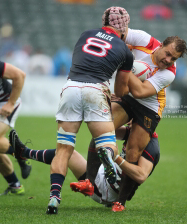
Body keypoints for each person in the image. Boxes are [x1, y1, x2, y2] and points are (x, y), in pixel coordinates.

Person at [42, 6, 132, 214]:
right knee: (109, 143)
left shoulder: (86, 34)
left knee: (64, 149)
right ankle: (106, 154)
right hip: (96, 90)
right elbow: (120, 89)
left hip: (71, 87)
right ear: (125, 27)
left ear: (104, 22)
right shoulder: (125, 51)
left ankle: (54, 197)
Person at [109, 29, 187, 210]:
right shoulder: (144, 40)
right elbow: (116, 34)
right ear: (160, 46)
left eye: (173, 58)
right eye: (168, 54)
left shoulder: (169, 73)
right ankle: (90, 182)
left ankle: (120, 202)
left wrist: (125, 63)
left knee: (133, 152)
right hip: (130, 98)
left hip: (150, 108)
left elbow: (141, 92)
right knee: (104, 126)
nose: (168, 60)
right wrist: (119, 48)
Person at [9, 123, 160, 211]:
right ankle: (23, 153)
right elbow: (107, 130)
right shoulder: (135, 132)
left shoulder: (151, 147)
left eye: (133, 118)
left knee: (69, 153)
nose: (129, 121)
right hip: (105, 176)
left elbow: (141, 175)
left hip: (108, 190)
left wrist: (117, 158)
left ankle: (24, 153)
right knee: (98, 137)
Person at [0, 59, 31, 195]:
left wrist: (10, 104)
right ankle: (15, 185)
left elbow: (19, 75)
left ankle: (21, 153)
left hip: (5, 102)